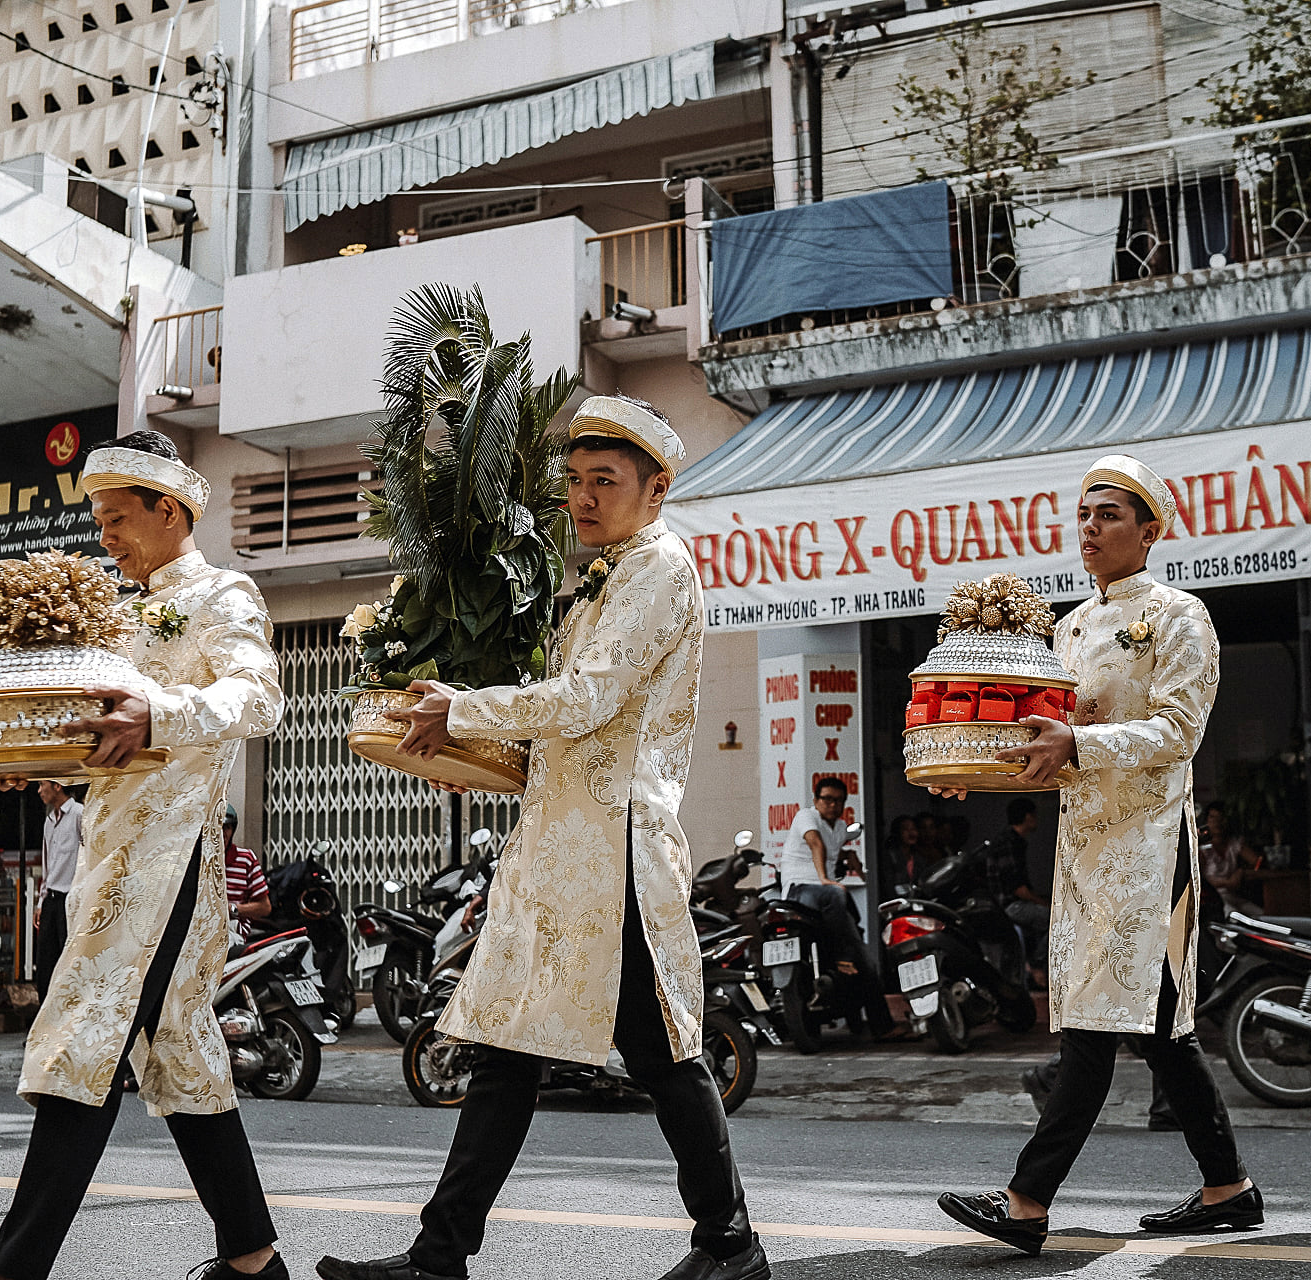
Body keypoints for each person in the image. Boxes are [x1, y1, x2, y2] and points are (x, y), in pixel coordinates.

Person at [318, 396, 765, 1280]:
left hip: (619, 856)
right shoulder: (603, 577)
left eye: (606, 481)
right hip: (564, 848)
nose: (584, 497)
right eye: (574, 481)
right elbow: (566, 729)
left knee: (664, 1054)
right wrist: (474, 754)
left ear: (657, 489)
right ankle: (441, 1254)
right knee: (509, 1051)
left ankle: (730, 1242)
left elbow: (591, 699)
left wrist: (468, 708)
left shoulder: (659, 571)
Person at [0, 430, 288, 1280]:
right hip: (107, 853)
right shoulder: (114, 613)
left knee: (84, 1038)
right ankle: (254, 1260)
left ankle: (12, 1270)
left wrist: (162, 714)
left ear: (169, 510)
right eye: (97, 517)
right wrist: (29, 759)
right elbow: (94, 733)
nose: (102, 533)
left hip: (168, 859)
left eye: (115, 517)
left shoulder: (224, 593)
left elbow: (257, 698)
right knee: (179, 1054)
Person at [937, 454, 1256, 1256]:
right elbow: (1046, 751)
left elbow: (1179, 736)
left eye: (1110, 514)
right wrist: (964, 770)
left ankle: (1026, 1201)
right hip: (1081, 851)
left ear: (1150, 530)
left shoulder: (1182, 617)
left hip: (1151, 848)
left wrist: (1078, 738)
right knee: (1154, 1031)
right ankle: (1229, 1187)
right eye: (1083, 514)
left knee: (1088, 1026)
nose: (1091, 528)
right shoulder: (1070, 628)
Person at [783, 776, 900, 1042]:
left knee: (865, 961)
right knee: (838, 896)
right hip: (801, 891)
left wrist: (852, 860)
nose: (832, 805)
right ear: (816, 800)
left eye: (838, 801)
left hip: (824, 898)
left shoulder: (840, 827)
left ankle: (879, 1025)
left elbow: (836, 848)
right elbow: (816, 844)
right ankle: (843, 955)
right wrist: (825, 879)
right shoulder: (806, 816)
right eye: (827, 799)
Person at [972, 798, 1050, 988]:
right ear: (1027, 817)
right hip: (1009, 906)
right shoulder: (1009, 843)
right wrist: (1046, 903)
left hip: (1009, 903)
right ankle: (1037, 964)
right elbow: (1019, 889)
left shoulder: (1012, 841)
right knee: (1057, 920)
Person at [31, 779, 81, 997]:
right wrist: (41, 901)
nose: (40, 790)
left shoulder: (79, 814)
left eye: (43, 785)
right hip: (51, 898)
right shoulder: (49, 820)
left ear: (57, 786)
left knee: (68, 959)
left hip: (70, 898)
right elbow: (47, 864)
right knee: (45, 962)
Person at [223, 805, 272, 942]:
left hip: (231, 932)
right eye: (217, 827)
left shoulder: (245, 859)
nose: (222, 833)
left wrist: (232, 909)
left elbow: (264, 907)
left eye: (226, 827)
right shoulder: (196, 860)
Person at [1198, 802, 1255, 919]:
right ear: (1206, 820)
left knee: (1259, 916)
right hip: (1212, 898)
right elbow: (1200, 879)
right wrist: (1228, 883)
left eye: (1221, 818)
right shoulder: (1202, 849)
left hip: (1235, 896)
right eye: (1213, 817)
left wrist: (1241, 871)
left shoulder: (1234, 843)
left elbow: (1256, 861)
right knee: (1232, 916)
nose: (1217, 822)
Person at [879, 815, 934, 890]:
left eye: (913, 829)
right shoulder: (889, 856)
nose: (911, 833)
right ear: (897, 832)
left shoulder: (919, 857)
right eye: (906, 829)